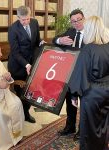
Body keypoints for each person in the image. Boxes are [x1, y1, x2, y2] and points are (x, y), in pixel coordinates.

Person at [69, 16, 109, 150]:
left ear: (89, 29)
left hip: (92, 94)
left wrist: (74, 95)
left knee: (88, 129)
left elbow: (80, 74)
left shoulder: (88, 49)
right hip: (107, 92)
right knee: (104, 125)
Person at [8, 6, 45, 123]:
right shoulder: (13, 29)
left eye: (28, 19)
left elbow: (37, 40)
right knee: (20, 92)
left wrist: (41, 42)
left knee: (30, 90)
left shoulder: (34, 22)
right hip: (18, 65)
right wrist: (26, 64)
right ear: (18, 17)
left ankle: (26, 113)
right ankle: (19, 115)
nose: (26, 22)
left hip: (31, 62)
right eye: (23, 20)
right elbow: (15, 52)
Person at [52, 9, 85, 138]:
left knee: (85, 105)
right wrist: (60, 41)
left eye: (79, 20)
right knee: (71, 102)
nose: (76, 23)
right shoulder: (70, 32)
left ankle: (83, 131)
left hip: (84, 76)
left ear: (84, 18)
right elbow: (55, 39)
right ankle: (70, 127)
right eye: (73, 21)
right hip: (70, 75)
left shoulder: (91, 32)